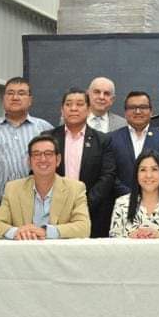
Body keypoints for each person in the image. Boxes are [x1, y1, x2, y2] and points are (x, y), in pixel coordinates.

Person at [0, 77, 53, 206]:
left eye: (21, 93)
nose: (15, 97)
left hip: (36, 204)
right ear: (3, 99)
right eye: (10, 93)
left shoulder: (44, 128)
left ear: (30, 100)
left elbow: (55, 166)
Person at [0, 134, 91, 240]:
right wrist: (18, 231)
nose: (43, 159)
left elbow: (84, 228)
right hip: (24, 248)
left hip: (59, 250)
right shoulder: (13, 188)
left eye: (48, 154)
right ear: (29, 161)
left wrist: (46, 231)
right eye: (36, 154)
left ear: (58, 159)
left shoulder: (75, 188)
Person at [50, 88, 116, 237]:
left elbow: (108, 176)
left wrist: (84, 203)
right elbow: (41, 172)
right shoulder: (49, 138)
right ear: (62, 109)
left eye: (79, 104)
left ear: (88, 109)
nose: (73, 108)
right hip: (54, 211)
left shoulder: (102, 140)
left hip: (93, 213)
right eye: (68, 104)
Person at [109, 151, 159, 238]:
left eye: (154, 169)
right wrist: (130, 238)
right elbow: (113, 243)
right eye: (143, 170)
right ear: (136, 174)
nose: (149, 175)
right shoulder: (121, 204)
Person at [108, 91, 159, 196]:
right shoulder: (111, 139)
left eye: (143, 107)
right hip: (119, 200)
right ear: (125, 113)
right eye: (132, 108)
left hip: (155, 199)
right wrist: (129, 195)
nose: (138, 111)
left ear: (151, 112)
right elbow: (109, 174)